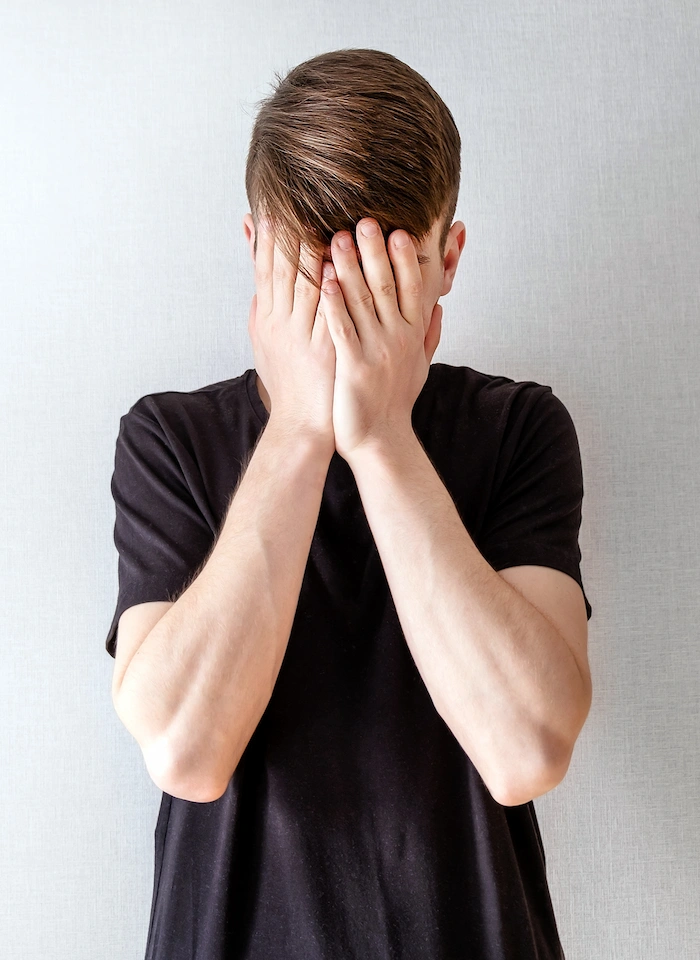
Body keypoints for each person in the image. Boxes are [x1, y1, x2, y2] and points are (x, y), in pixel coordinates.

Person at [105, 48, 592, 960]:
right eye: (309, 271)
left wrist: (379, 440)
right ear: (254, 249)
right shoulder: (168, 441)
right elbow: (184, 750)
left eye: (379, 278)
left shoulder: (518, 429)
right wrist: (297, 431)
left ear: (447, 259)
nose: (339, 308)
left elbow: (527, 751)